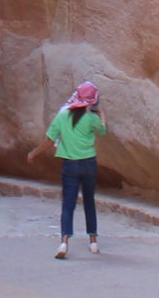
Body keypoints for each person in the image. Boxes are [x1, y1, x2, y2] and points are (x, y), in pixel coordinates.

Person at [27, 81, 105, 259]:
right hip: (88, 163)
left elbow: (49, 140)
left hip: (70, 164)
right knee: (89, 201)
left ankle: (64, 242)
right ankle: (93, 241)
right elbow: (102, 131)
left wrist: (33, 153)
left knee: (68, 204)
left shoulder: (62, 115)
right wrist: (101, 114)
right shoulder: (91, 119)